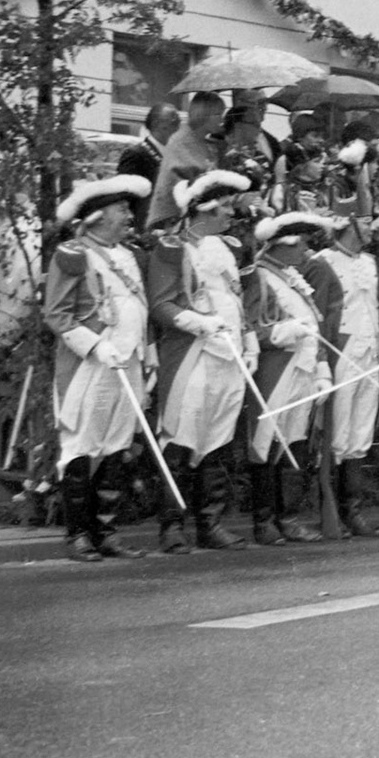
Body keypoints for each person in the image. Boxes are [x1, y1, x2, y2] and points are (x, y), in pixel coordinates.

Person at [44, 175, 155, 561]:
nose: (129, 216)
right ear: (96, 216)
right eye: (121, 209)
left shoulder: (128, 255)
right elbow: (57, 315)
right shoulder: (73, 254)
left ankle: (106, 530)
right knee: (81, 446)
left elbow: (140, 309)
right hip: (90, 368)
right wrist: (94, 346)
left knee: (117, 445)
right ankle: (78, 534)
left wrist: (148, 353)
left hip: (129, 363)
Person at [146, 169, 254, 551]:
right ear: (204, 209)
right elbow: (160, 304)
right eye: (225, 207)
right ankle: (172, 527)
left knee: (218, 440)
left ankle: (211, 522)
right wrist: (200, 323)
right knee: (179, 438)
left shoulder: (226, 247)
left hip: (229, 356)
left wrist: (249, 343)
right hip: (193, 355)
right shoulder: (172, 248)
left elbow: (238, 300)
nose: (231, 214)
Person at [243, 212, 336, 545]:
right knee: (265, 444)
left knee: (295, 442)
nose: (306, 251)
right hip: (275, 373)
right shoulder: (258, 276)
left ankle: (289, 516)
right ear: (284, 245)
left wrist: (323, 373)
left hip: (304, 371)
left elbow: (315, 329)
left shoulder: (293, 276)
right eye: (302, 244)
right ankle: (264, 520)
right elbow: (252, 329)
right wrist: (283, 331)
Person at [303, 201, 379, 537]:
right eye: (365, 222)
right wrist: (321, 359)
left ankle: (354, 509)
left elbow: (378, 311)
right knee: (336, 433)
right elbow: (318, 315)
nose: (371, 228)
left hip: (370, 350)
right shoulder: (322, 263)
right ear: (348, 224)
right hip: (341, 351)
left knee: (361, 430)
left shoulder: (369, 262)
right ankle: (330, 510)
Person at [147, 93, 226, 229]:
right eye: (218, 114)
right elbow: (182, 177)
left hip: (196, 217)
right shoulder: (181, 140)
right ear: (204, 114)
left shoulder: (205, 142)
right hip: (172, 220)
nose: (222, 119)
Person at [117, 104, 181, 228]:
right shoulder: (136, 154)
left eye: (179, 123)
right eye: (174, 122)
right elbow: (123, 198)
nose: (178, 127)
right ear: (156, 124)